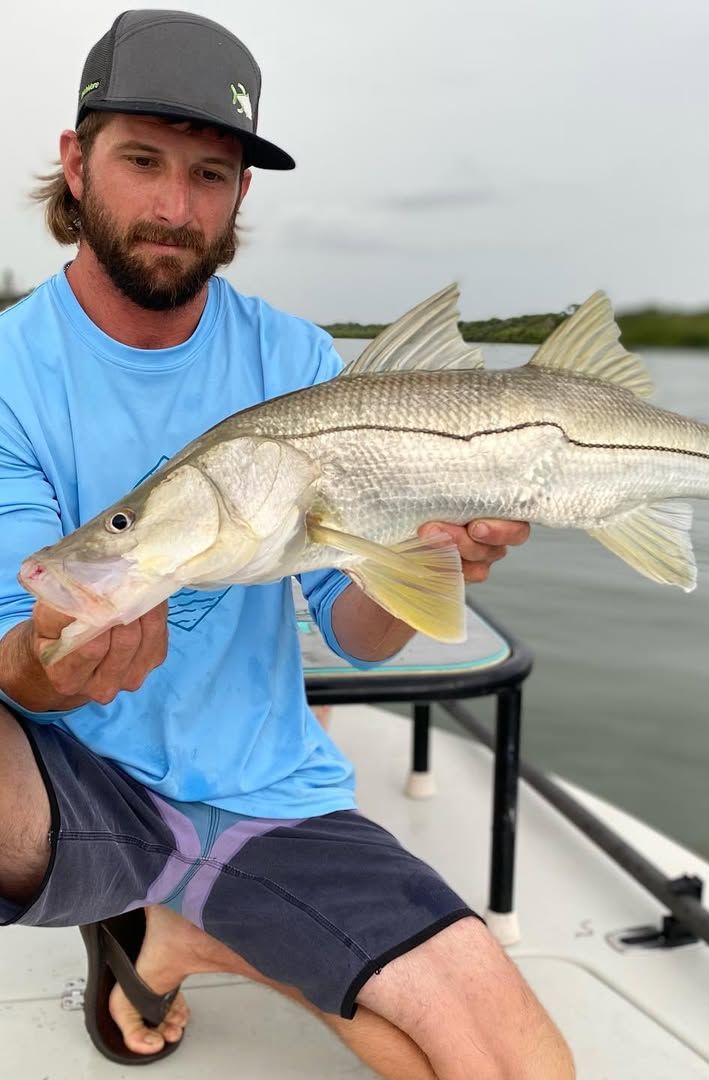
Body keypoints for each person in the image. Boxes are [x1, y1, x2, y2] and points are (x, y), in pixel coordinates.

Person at [0, 10, 573, 1078]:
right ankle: (173, 909)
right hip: (76, 783)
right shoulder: (7, 373)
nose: (176, 206)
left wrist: (436, 559)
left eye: (211, 175)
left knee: (519, 1070)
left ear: (242, 195)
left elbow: (353, 635)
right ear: (75, 163)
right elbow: (19, 671)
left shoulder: (299, 361)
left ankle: (197, 926)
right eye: (142, 161)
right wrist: (50, 662)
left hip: (266, 793)